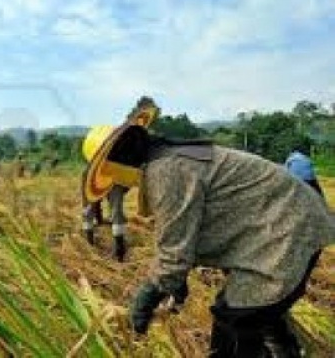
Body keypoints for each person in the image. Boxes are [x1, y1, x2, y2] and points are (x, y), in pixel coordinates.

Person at [82, 106, 335, 357]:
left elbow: (174, 247)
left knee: (235, 320)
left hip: (286, 229)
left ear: (114, 163)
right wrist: (173, 279)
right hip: (281, 225)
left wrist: (147, 298)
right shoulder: (172, 158)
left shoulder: (167, 171)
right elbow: (183, 234)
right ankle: (288, 352)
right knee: (256, 309)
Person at [81, 125, 131, 262]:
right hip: (115, 177)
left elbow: (88, 200)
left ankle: (89, 242)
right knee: (116, 212)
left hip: (100, 179)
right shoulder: (118, 161)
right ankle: (119, 250)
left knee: (88, 211)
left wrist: (98, 217)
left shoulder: (89, 170)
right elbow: (125, 185)